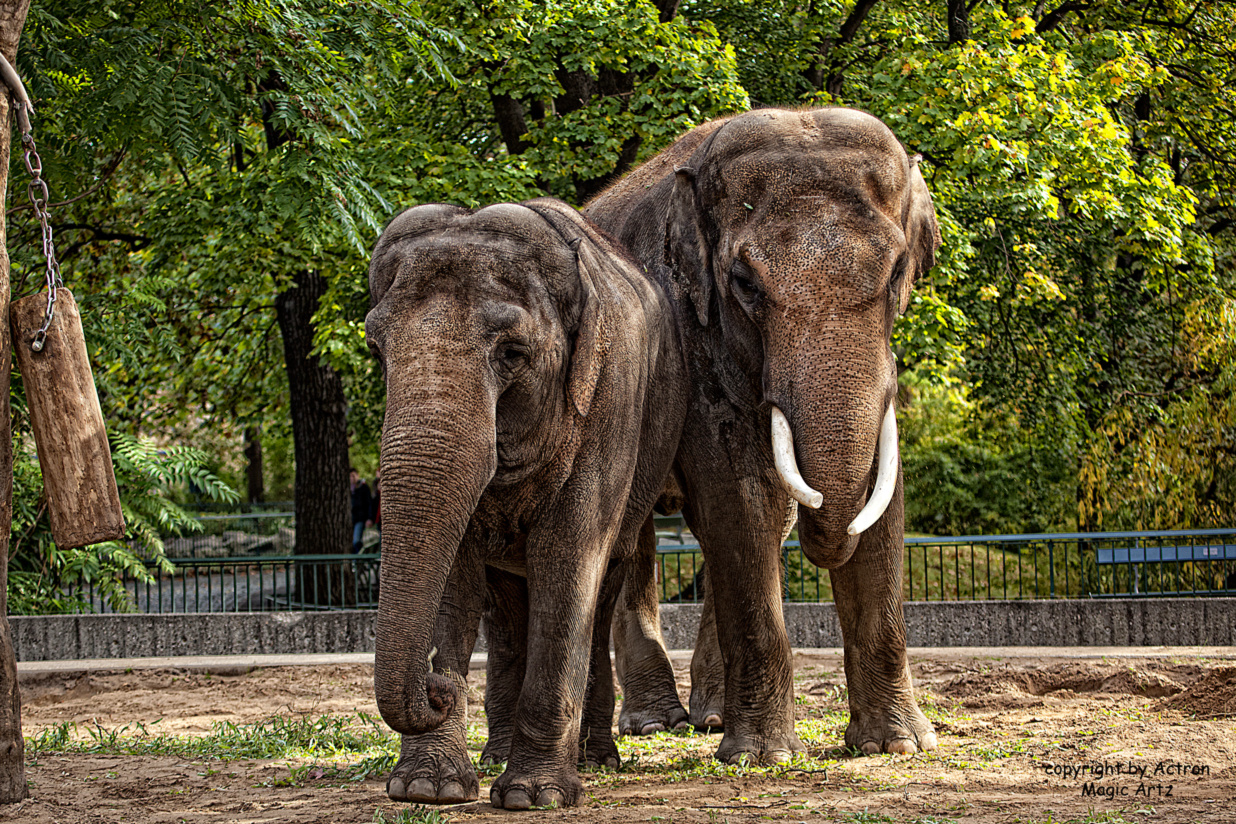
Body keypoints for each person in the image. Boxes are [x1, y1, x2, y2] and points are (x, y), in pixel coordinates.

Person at [349, 467, 372, 553]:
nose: (352, 478)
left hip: (360, 518)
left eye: (353, 476)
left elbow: (369, 503)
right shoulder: (350, 490)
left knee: (357, 541)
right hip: (351, 519)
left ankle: (359, 558)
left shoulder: (363, 488)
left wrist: (369, 518)